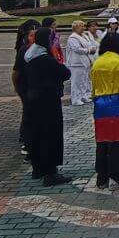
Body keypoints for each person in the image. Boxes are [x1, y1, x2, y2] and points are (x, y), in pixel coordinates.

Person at [23, 27, 72, 186]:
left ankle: (38, 168)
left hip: (33, 99)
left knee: (37, 134)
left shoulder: (29, 55)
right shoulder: (46, 59)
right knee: (50, 135)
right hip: (48, 101)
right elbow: (65, 73)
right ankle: (50, 172)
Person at [90, 32, 119, 191]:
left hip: (101, 106)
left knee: (102, 141)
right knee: (118, 142)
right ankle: (117, 176)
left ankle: (102, 178)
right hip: (118, 106)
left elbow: (93, 87)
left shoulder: (97, 62)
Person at [12, 19, 40, 159]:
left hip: (33, 86)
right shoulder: (24, 50)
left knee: (30, 112)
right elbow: (16, 72)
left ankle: (28, 137)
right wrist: (17, 86)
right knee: (29, 112)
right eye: (32, 35)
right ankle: (26, 140)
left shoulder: (37, 49)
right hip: (26, 86)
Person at [65, 20, 98, 105]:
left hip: (85, 62)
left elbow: (90, 44)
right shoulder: (73, 38)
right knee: (76, 82)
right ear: (75, 28)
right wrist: (89, 50)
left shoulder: (84, 36)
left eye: (83, 26)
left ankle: (83, 96)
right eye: (81, 26)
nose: (83, 28)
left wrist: (93, 48)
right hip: (76, 63)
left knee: (84, 80)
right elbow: (76, 49)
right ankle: (75, 98)